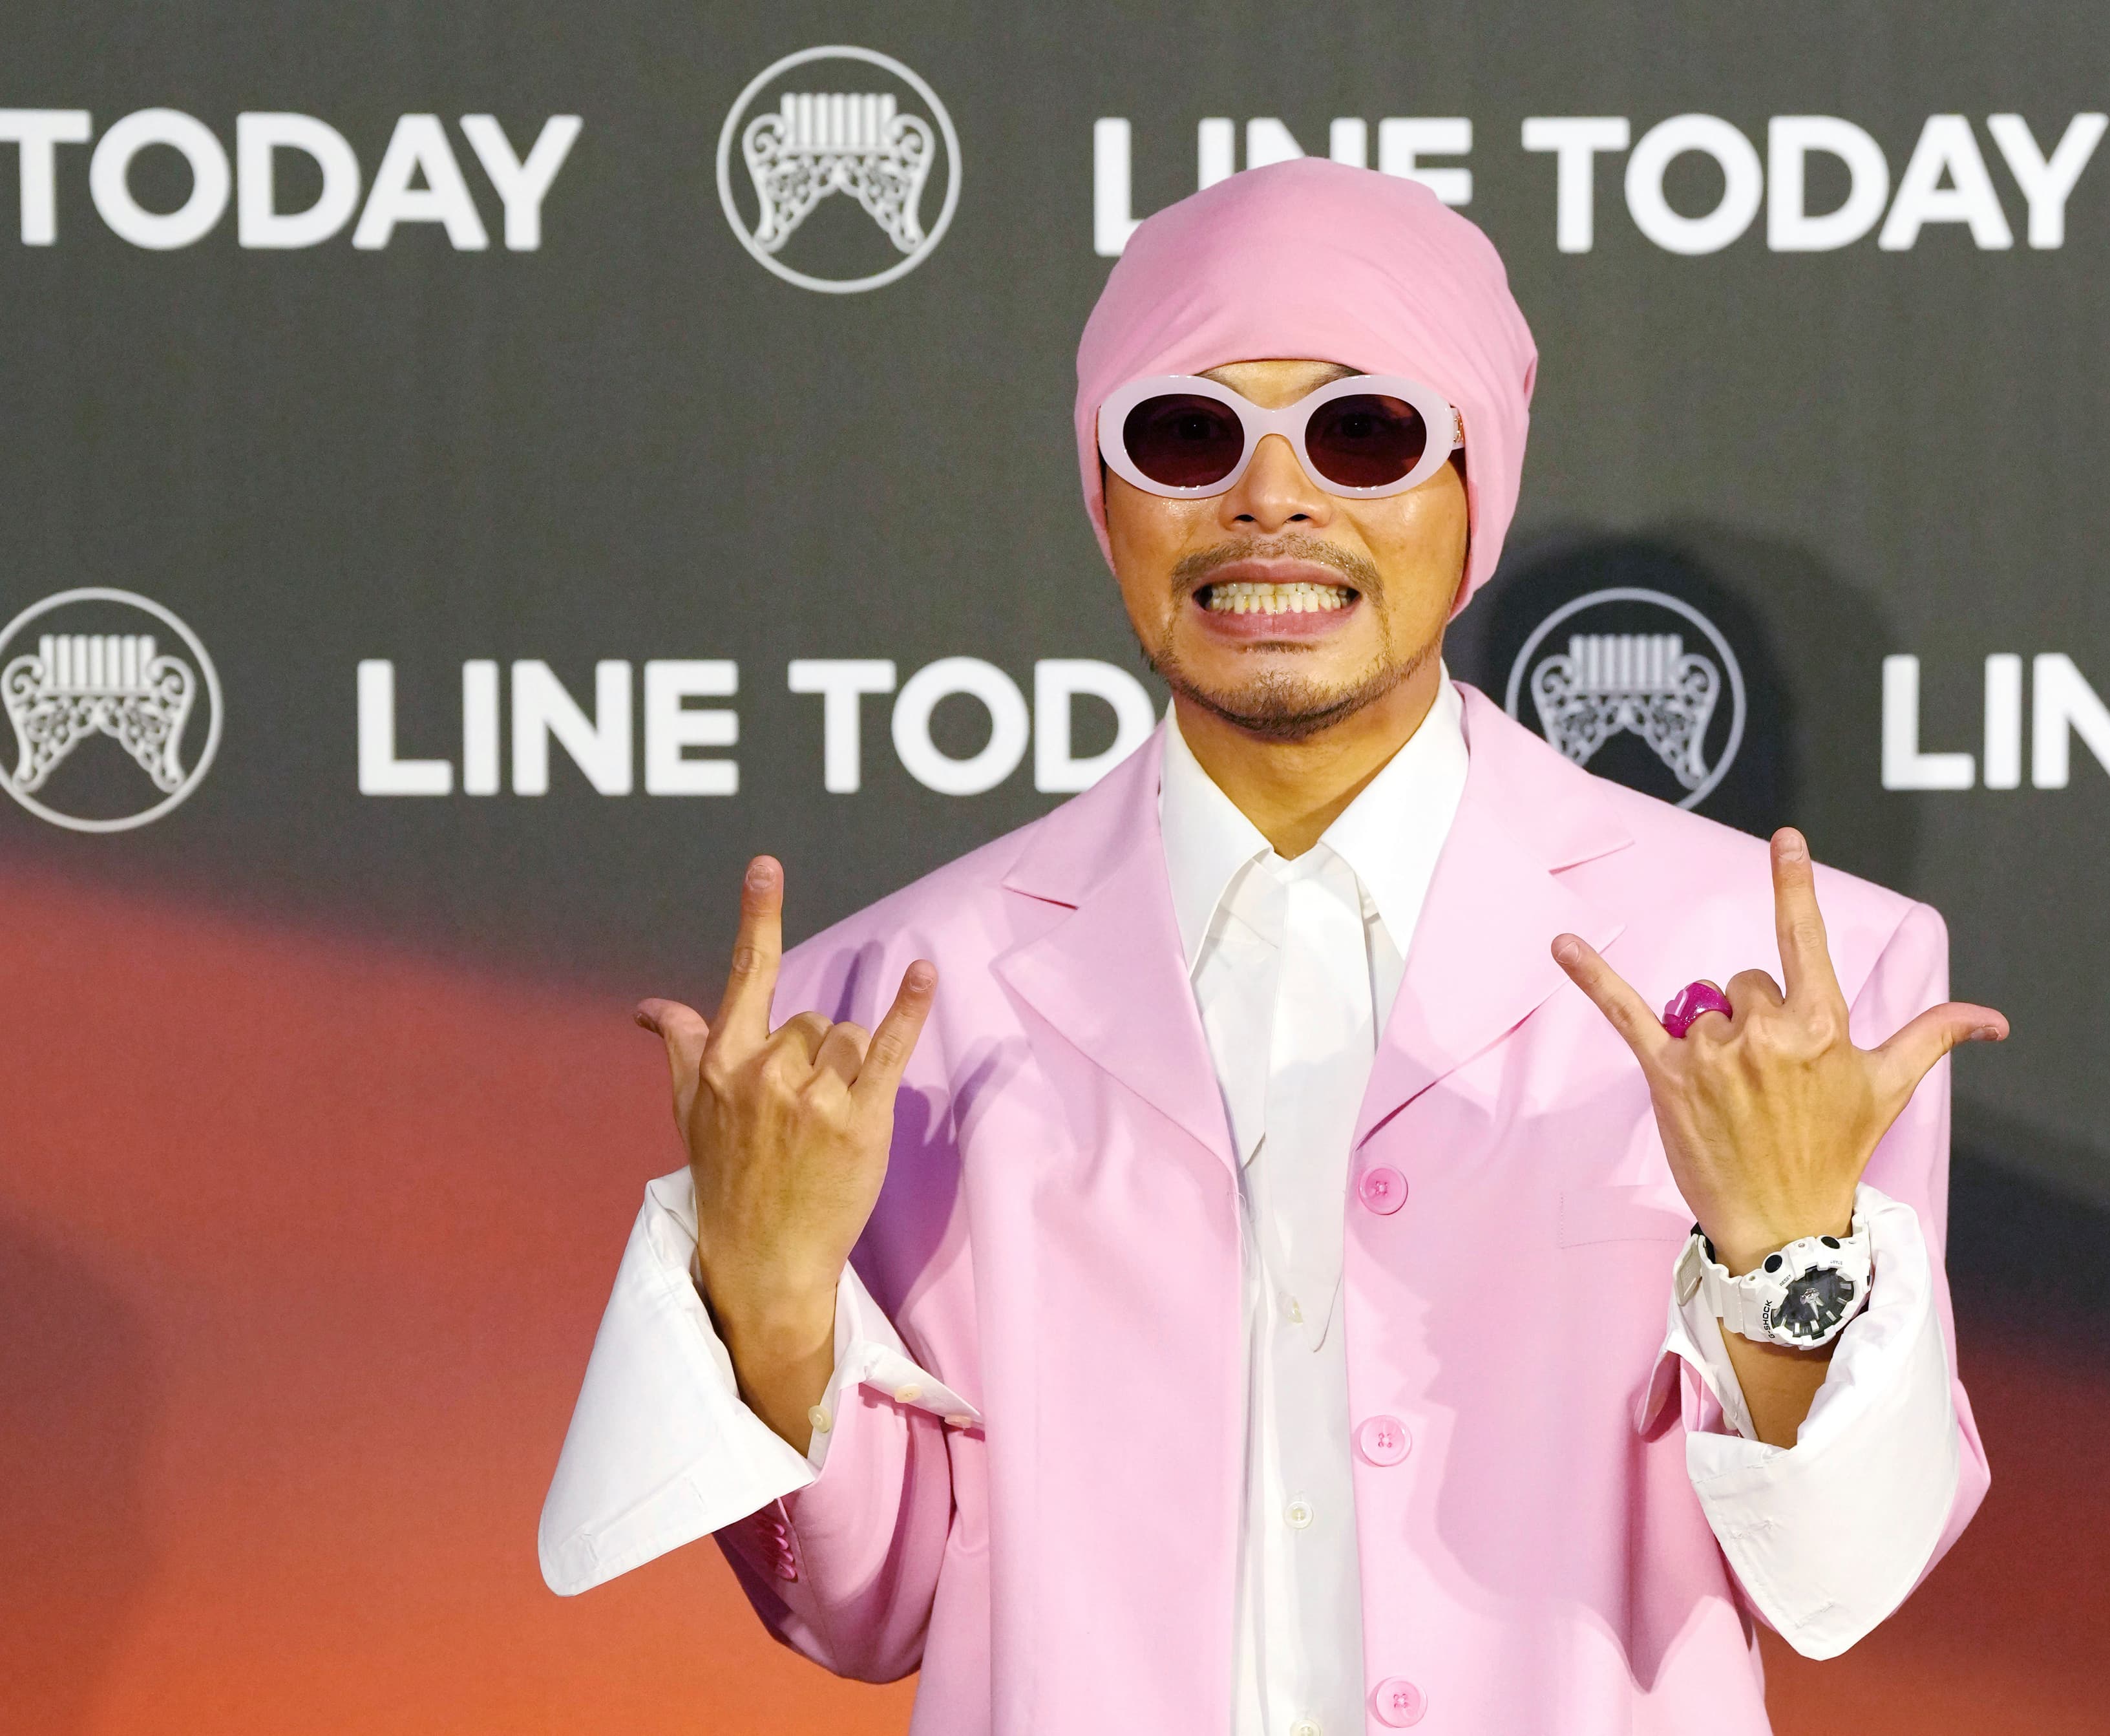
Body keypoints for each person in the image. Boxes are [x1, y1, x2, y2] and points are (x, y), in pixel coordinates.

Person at [540, 158, 2004, 1734]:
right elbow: (860, 1608)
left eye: (1361, 432)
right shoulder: (881, 1007)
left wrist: (1782, 1247)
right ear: (1106, 504)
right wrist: (761, 1296)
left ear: (1474, 495)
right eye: (1190, 433)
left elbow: (1837, 1574)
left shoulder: (1804, 980)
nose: (1274, 500)